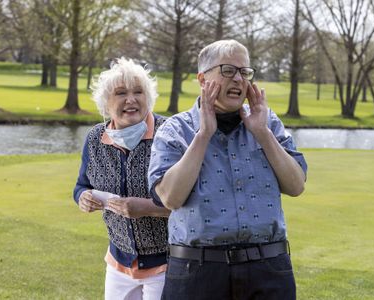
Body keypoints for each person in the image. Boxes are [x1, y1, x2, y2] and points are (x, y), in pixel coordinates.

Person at [148, 40, 308, 300]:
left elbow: (296, 185)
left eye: (245, 72)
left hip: (268, 269)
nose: (238, 79)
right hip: (198, 272)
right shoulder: (175, 130)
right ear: (202, 79)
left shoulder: (268, 123)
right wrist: (203, 135)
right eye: (228, 70)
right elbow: (170, 197)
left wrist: (262, 133)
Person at [73, 57, 170, 300]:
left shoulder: (169, 134)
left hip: (168, 263)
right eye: (121, 93)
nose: (131, 99)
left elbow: (193, 202)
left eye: (139, 92)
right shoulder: (95, 138)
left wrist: (146, 208)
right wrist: (82, 198)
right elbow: (81, 185)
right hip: (118, 261)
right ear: (106, 102)